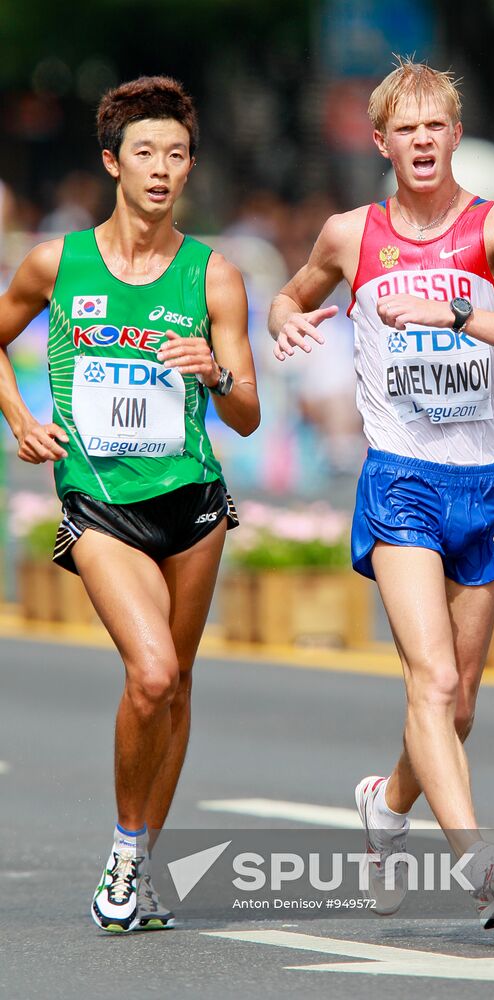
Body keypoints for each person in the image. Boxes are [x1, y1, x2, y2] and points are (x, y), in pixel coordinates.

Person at [268, 58, 494, 928]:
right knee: (429, 679)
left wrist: (460, 316)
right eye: (406, 129)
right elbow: (293, 292)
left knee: (458, 704)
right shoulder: (348, 234)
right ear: (381, 142)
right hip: (399, 477)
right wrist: (287, 315)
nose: (423, 141)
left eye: (436, 125)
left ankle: (385, 804)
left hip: (486, 480)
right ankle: (478, 862)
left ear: (455, 134)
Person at [0, 76, 260, 932]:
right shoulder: (58, 263)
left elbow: (247, 415)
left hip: (190, 502)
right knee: (148, 671)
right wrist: (20, 418)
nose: (160, 169)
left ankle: (143, 863)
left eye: (175, 155)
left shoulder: (213, 275)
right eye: (143, 153)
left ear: (190, 169)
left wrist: (214, 371)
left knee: (176, 686)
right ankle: (121, 849)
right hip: (99, 499)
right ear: (112, 162)